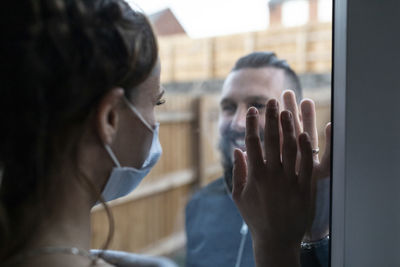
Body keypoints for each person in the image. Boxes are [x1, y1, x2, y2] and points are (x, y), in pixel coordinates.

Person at [0, 1, 315, 267]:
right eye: (157, 101)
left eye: (258, 106)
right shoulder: (204, 206)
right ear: (109, 118)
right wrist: (278, 249)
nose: (236, 124)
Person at [185, 52, 331, 267]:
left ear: (295, 118)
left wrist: (315, 237)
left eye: (258, 105)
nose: (237, 123)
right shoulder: (199, 206)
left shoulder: (332, 212)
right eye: (228, 107)